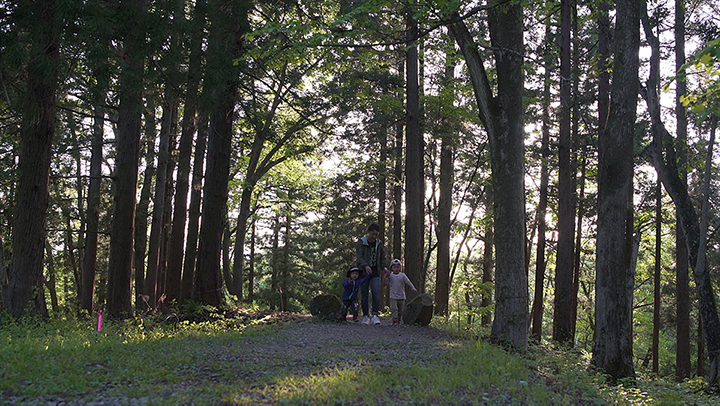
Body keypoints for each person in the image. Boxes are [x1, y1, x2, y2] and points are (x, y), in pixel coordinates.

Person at [356, 222, 387, 325]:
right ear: (368, 232)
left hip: (375, 272)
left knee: (376, 293)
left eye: (376, 235)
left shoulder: (379, 243)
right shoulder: (361, 242)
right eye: (373, 234)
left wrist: (383, 267)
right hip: (363, 273)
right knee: (364, 294)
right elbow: (359, 257)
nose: (374, 237)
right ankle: (365, 316)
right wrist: (365, 266)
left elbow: (382, 257)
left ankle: (375, 315)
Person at [385, 258, 417, 325]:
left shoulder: (402, 275)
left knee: (400, 310)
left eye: (398, 267)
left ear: (400, 268)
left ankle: (399, 320)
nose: (396, 269)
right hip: (393, 296)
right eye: (394, 267)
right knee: (394, 309)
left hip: (401, 296)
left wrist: (412, 287)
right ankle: (395, 320)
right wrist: (386, 277)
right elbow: (385, 283)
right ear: (391, 268)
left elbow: (408, 282)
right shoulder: (390, 275)